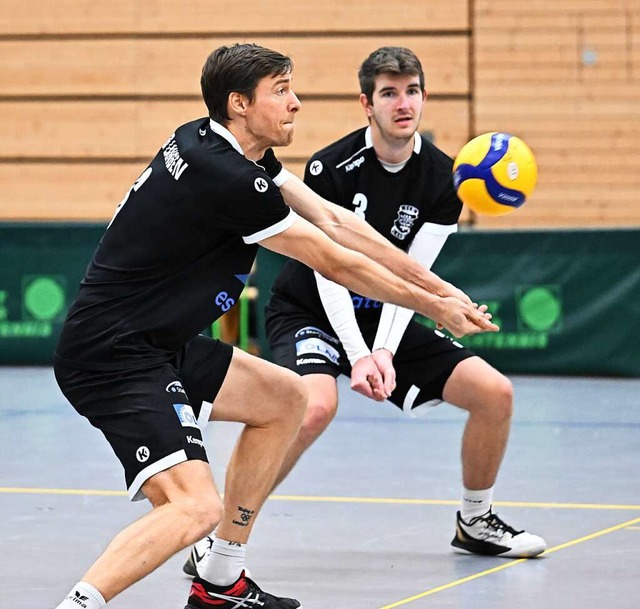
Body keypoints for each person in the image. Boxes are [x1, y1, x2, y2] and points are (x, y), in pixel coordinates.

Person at [52, 43, 497, 609]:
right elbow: (334, 259)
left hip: (156, 342)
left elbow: (338, 221)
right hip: (114, 356)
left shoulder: (220, 145)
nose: (296, 103)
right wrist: (436, 310)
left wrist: (441, 289)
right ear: (240, 103)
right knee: (195, 508)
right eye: (281, 91)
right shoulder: (227, 179)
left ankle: (221, 581)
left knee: (287, 399)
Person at [183, 46, 545, 578]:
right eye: (390, 93)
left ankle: (476, 520)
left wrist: (383, 350)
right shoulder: (331, 164)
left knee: (495, 394)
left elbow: (411, 274)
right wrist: (357, 355)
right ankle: (221, 541)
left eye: (413, 91)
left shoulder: (446, 178)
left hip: (387, 311)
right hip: (309, 307)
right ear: (366, 104)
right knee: (310, 408)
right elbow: (331, 267)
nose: (404, 103)